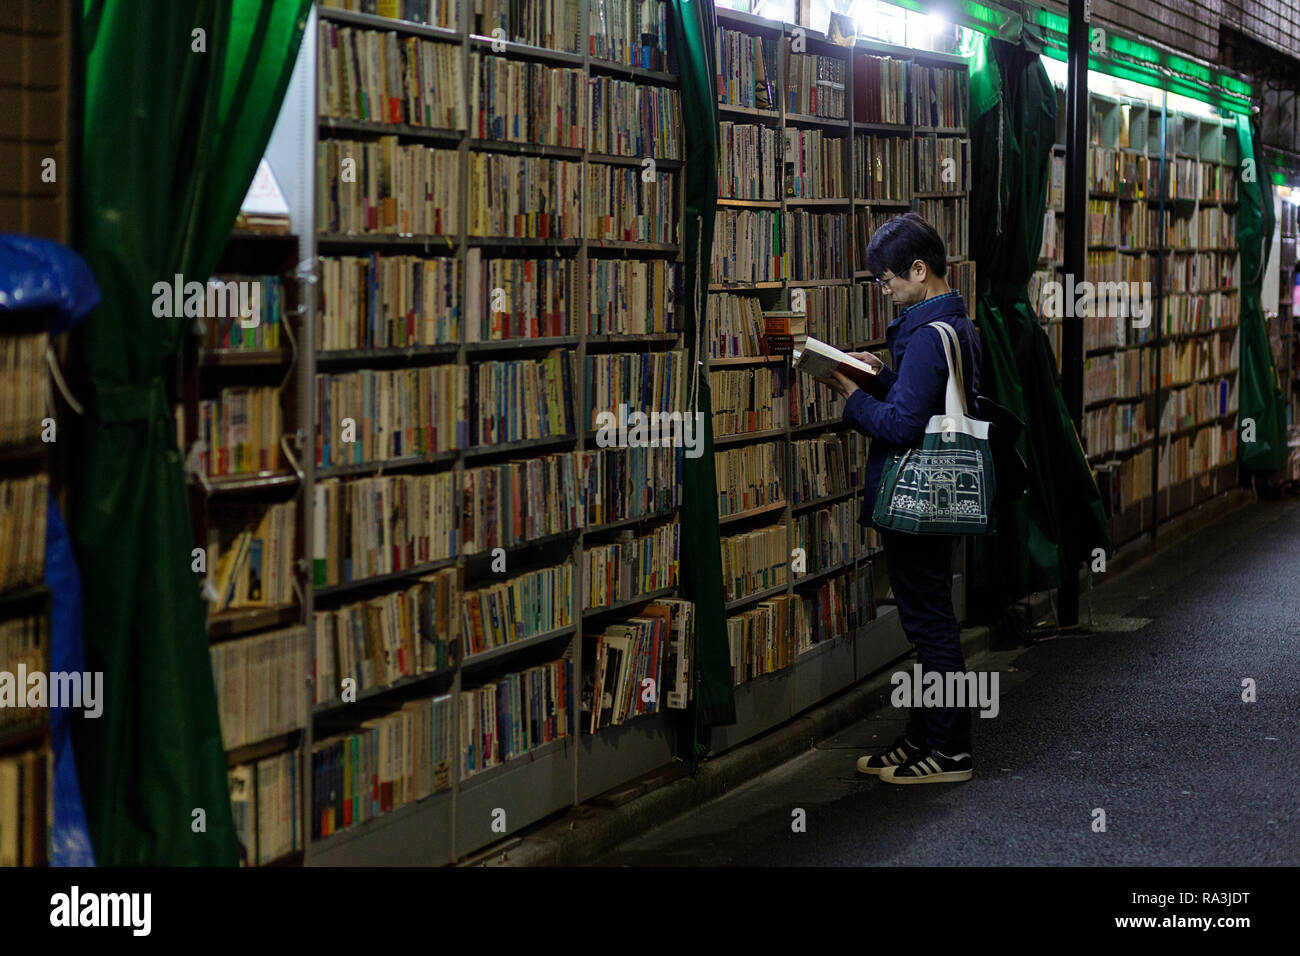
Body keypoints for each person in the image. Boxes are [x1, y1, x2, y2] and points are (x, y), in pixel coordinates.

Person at [815, 212, 982, 785]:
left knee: (930, 624)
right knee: (926, 620)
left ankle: (951, 750)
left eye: (887, 281)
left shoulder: (929, 336)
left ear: (918, 270)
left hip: (918, 503)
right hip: (936, 498)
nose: (884, 292)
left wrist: (849, 395)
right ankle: (923, 738)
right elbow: (923, 402)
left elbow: (905, 426)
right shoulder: (949, 323)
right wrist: (880, 376)